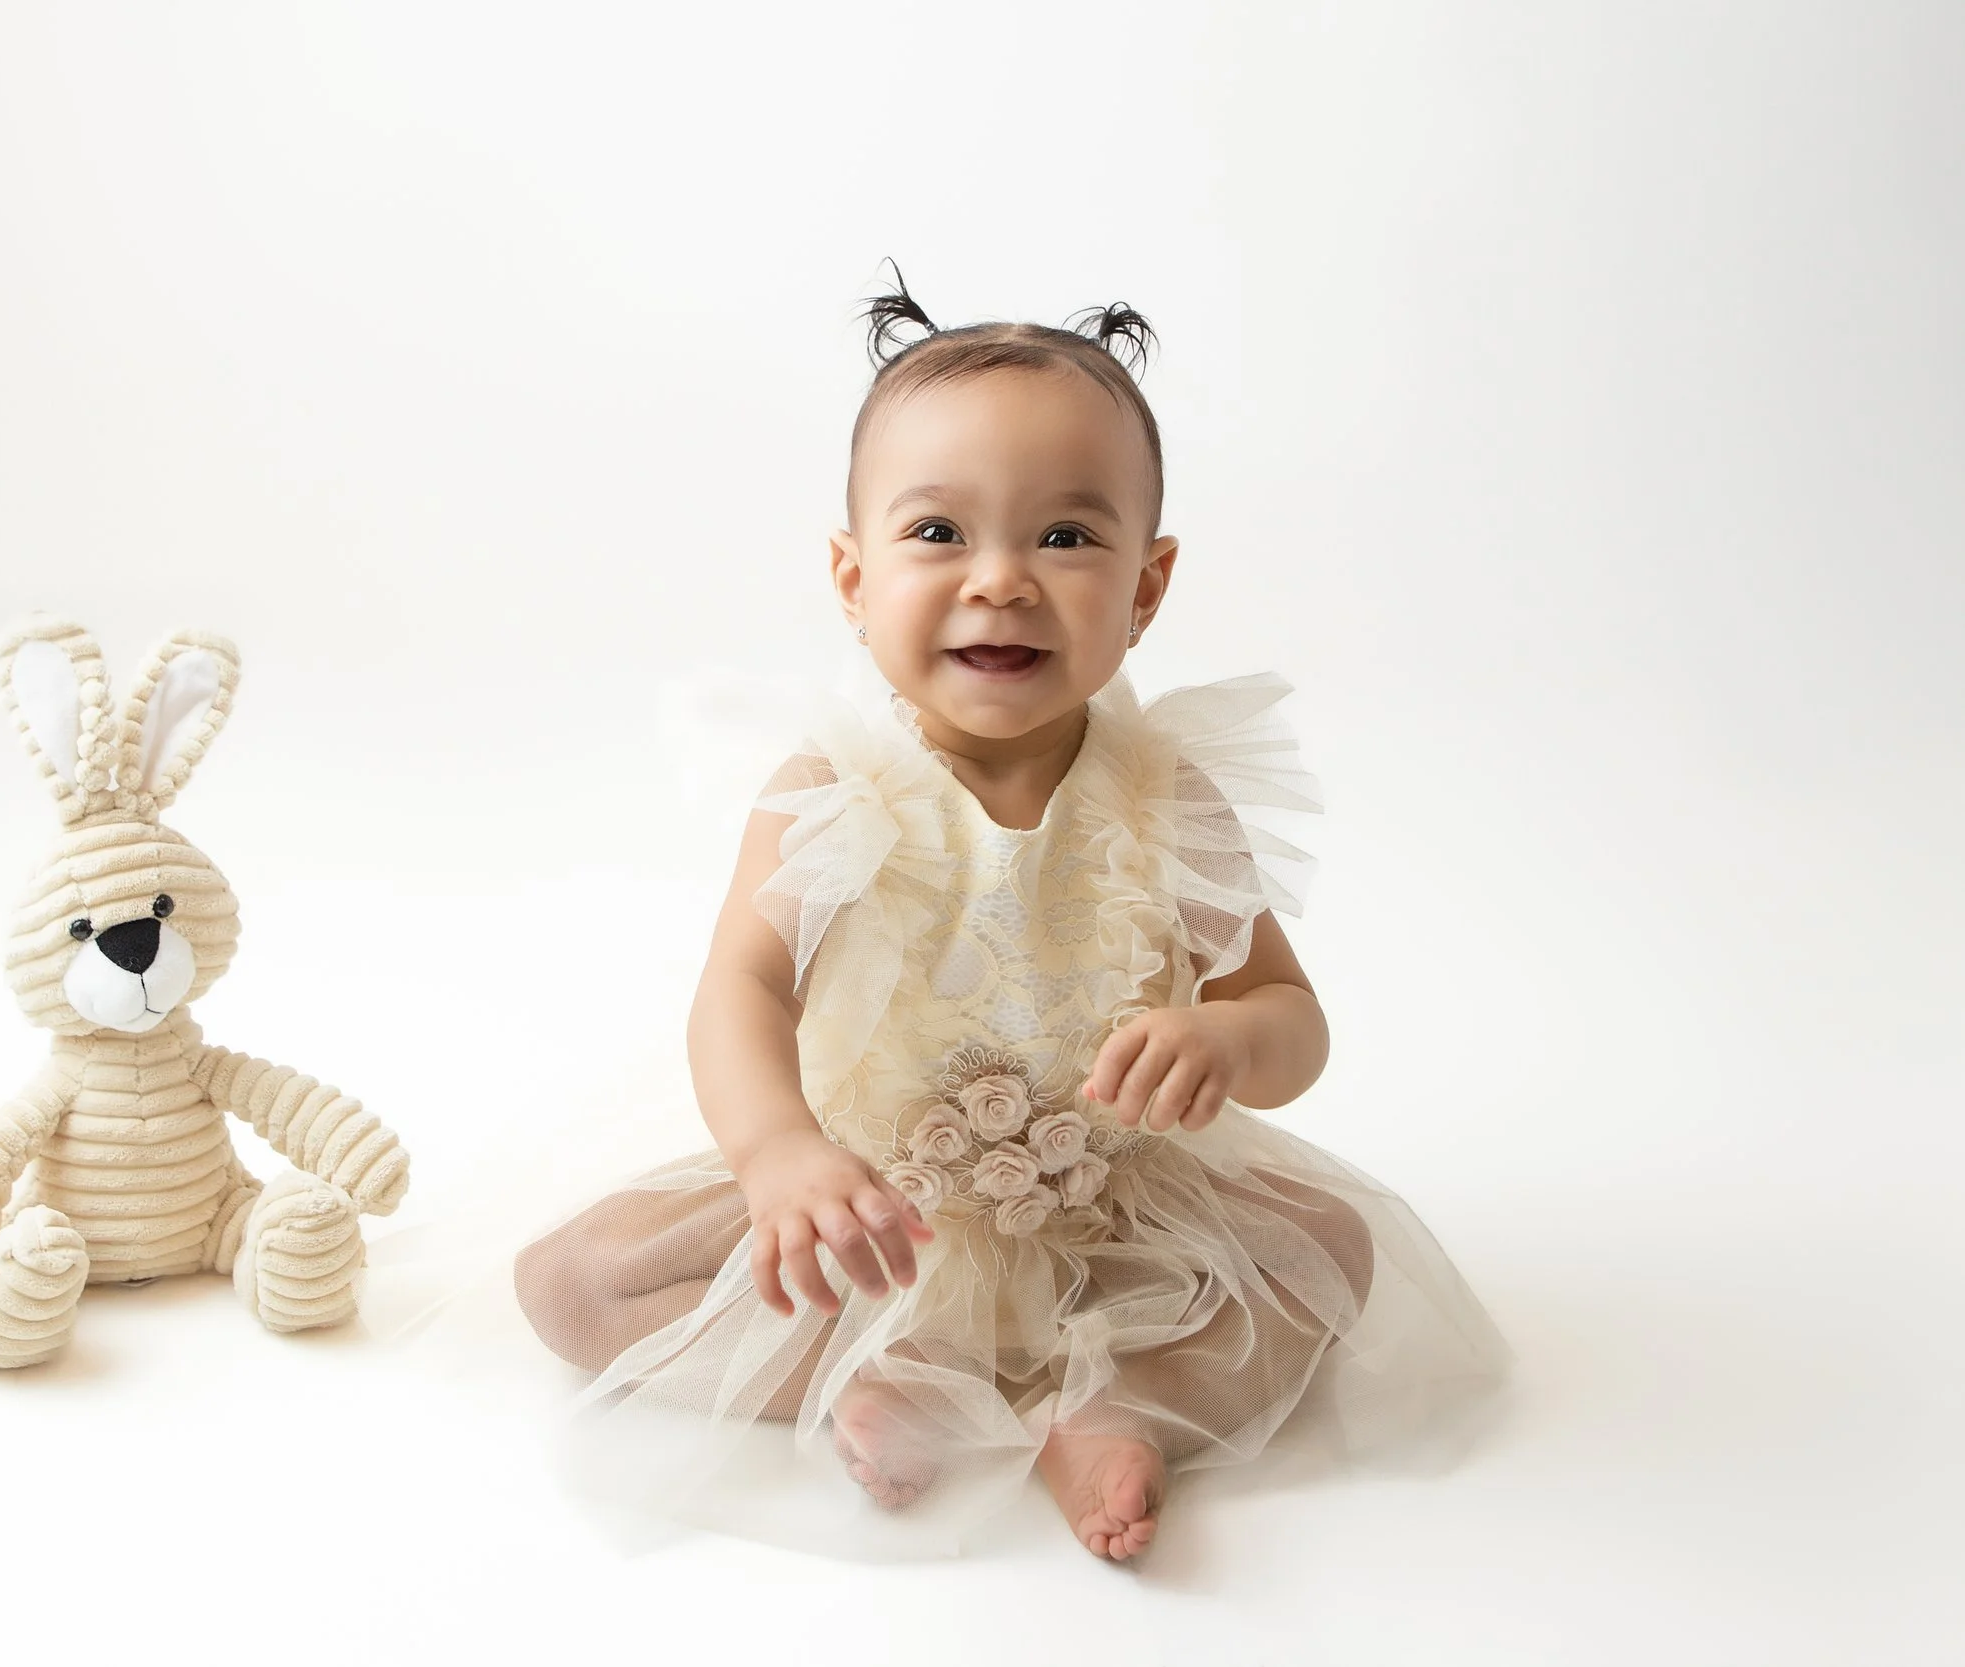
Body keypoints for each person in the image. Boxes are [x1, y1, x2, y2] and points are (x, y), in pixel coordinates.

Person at [464, 265, 1509, 1562]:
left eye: (1067, 537)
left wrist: (1232, 1043)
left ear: (1148, 584)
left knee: (1333, 1254)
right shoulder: (833, 794)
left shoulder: (1167, 798)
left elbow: (1291, 1017)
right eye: (939, 533)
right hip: (871, 1215)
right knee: (578, 1279)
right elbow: (741, 991)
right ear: (852, 578)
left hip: (1113, 1209)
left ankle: (1126, 1403)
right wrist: (780, 1150)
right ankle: (867, 1372)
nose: (1003, 579)